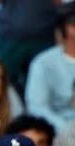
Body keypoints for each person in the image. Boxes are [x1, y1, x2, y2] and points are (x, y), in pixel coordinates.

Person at [24, 3, 75, 135]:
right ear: (68, 28)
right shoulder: (43, 63)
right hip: (59, 136)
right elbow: (37, 108)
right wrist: (68, 130)